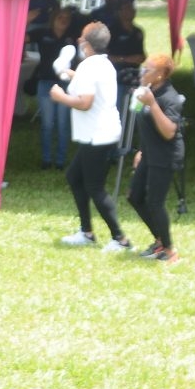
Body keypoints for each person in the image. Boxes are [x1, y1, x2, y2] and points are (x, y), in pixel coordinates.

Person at [52, 21, 129, 251]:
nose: (78, 40)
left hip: (97, 134)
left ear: (87, 44)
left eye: (82, 37)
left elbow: (85, 102)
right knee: (74, 177)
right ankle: (86, 232)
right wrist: (71, 74)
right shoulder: (102, 64)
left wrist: (59, 97)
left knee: (95, 187)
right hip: (102, 132)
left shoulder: (89, 66)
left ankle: (120, 239)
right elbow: (89, 84)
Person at [126, 54, 185, 263]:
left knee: (155, 202)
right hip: (150, 153)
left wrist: (152, 104)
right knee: (134, 196)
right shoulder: (148, 92)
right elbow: (146, 125)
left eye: (147, 70)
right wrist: (141, 150)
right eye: (143, 69)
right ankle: (159, 240)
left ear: (160, 75)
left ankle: (170, 251)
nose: (142, 73)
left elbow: (169, 131)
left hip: (165, 156)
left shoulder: (170, 98)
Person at [32, 5, 78, 168]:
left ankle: (60, 160)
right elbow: (19, 37)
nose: (64, 20)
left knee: (63, 124)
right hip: (45, 83)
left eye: (67, 18)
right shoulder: (42, 33)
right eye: (60, 17)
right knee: (47, 124)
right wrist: (30, 16)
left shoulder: (72, 36)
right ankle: (46, 159)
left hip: (65, 84)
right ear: (54, 18)